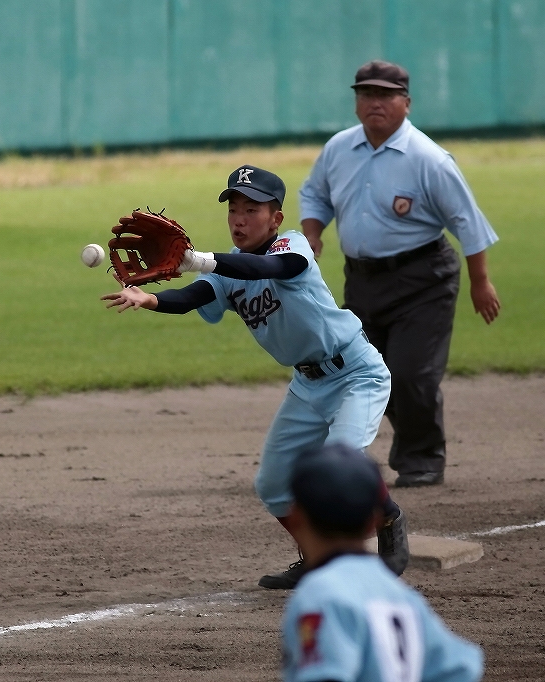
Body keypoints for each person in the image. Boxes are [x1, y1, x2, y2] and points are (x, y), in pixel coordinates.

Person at [101, 165, 408, 590]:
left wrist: (198, 260)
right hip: (307, 386)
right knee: (274, 485)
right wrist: (151, 298)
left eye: (252, 209)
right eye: (234, 210)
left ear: (275, 218)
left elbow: (271, 269)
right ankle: (316, 558)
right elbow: (195, 295)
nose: (239, 219)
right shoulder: (228, 269)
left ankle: (387, 517)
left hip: (355, 373)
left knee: (337, 468)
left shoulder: (292, 245)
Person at [299, 60, 501, 488]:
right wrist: (313, 233)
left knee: (412, 374)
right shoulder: (338, 149)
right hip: (362, 279)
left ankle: (422, 457)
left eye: (386, 95)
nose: (375, 103)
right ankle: (369, 454)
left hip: (423, 279)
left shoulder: (429, 159)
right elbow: (315, 194)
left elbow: (467, 222)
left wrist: (481, 282)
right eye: (366, 94)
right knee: (365, 371)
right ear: (355, 103)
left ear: (406, 104)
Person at [281, 443, 483, 682]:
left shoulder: (319, 595)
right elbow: (461, 668)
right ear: (374, 521)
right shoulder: (403, 597)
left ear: (294, 518)